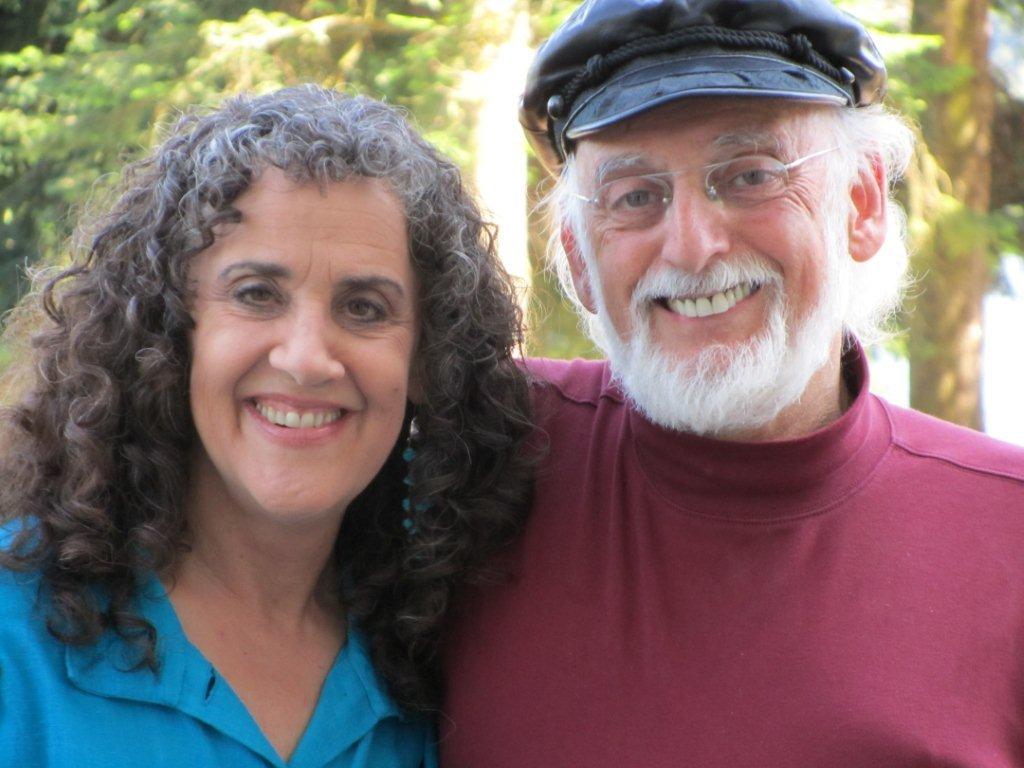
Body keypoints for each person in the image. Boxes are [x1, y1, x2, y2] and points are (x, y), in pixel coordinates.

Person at [440, 1, 1024, 766]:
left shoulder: (1007, 536)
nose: (692, 246)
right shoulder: (473, 459)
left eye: (750, 176)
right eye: (635, 196)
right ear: (580, 258)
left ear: (862, 204)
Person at [0, 85, 533, 767]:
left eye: (365, 308)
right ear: (169, 329)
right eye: (257, 295)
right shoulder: (16, 633)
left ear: (429, 361)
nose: (306, 359)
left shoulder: (432, 666)